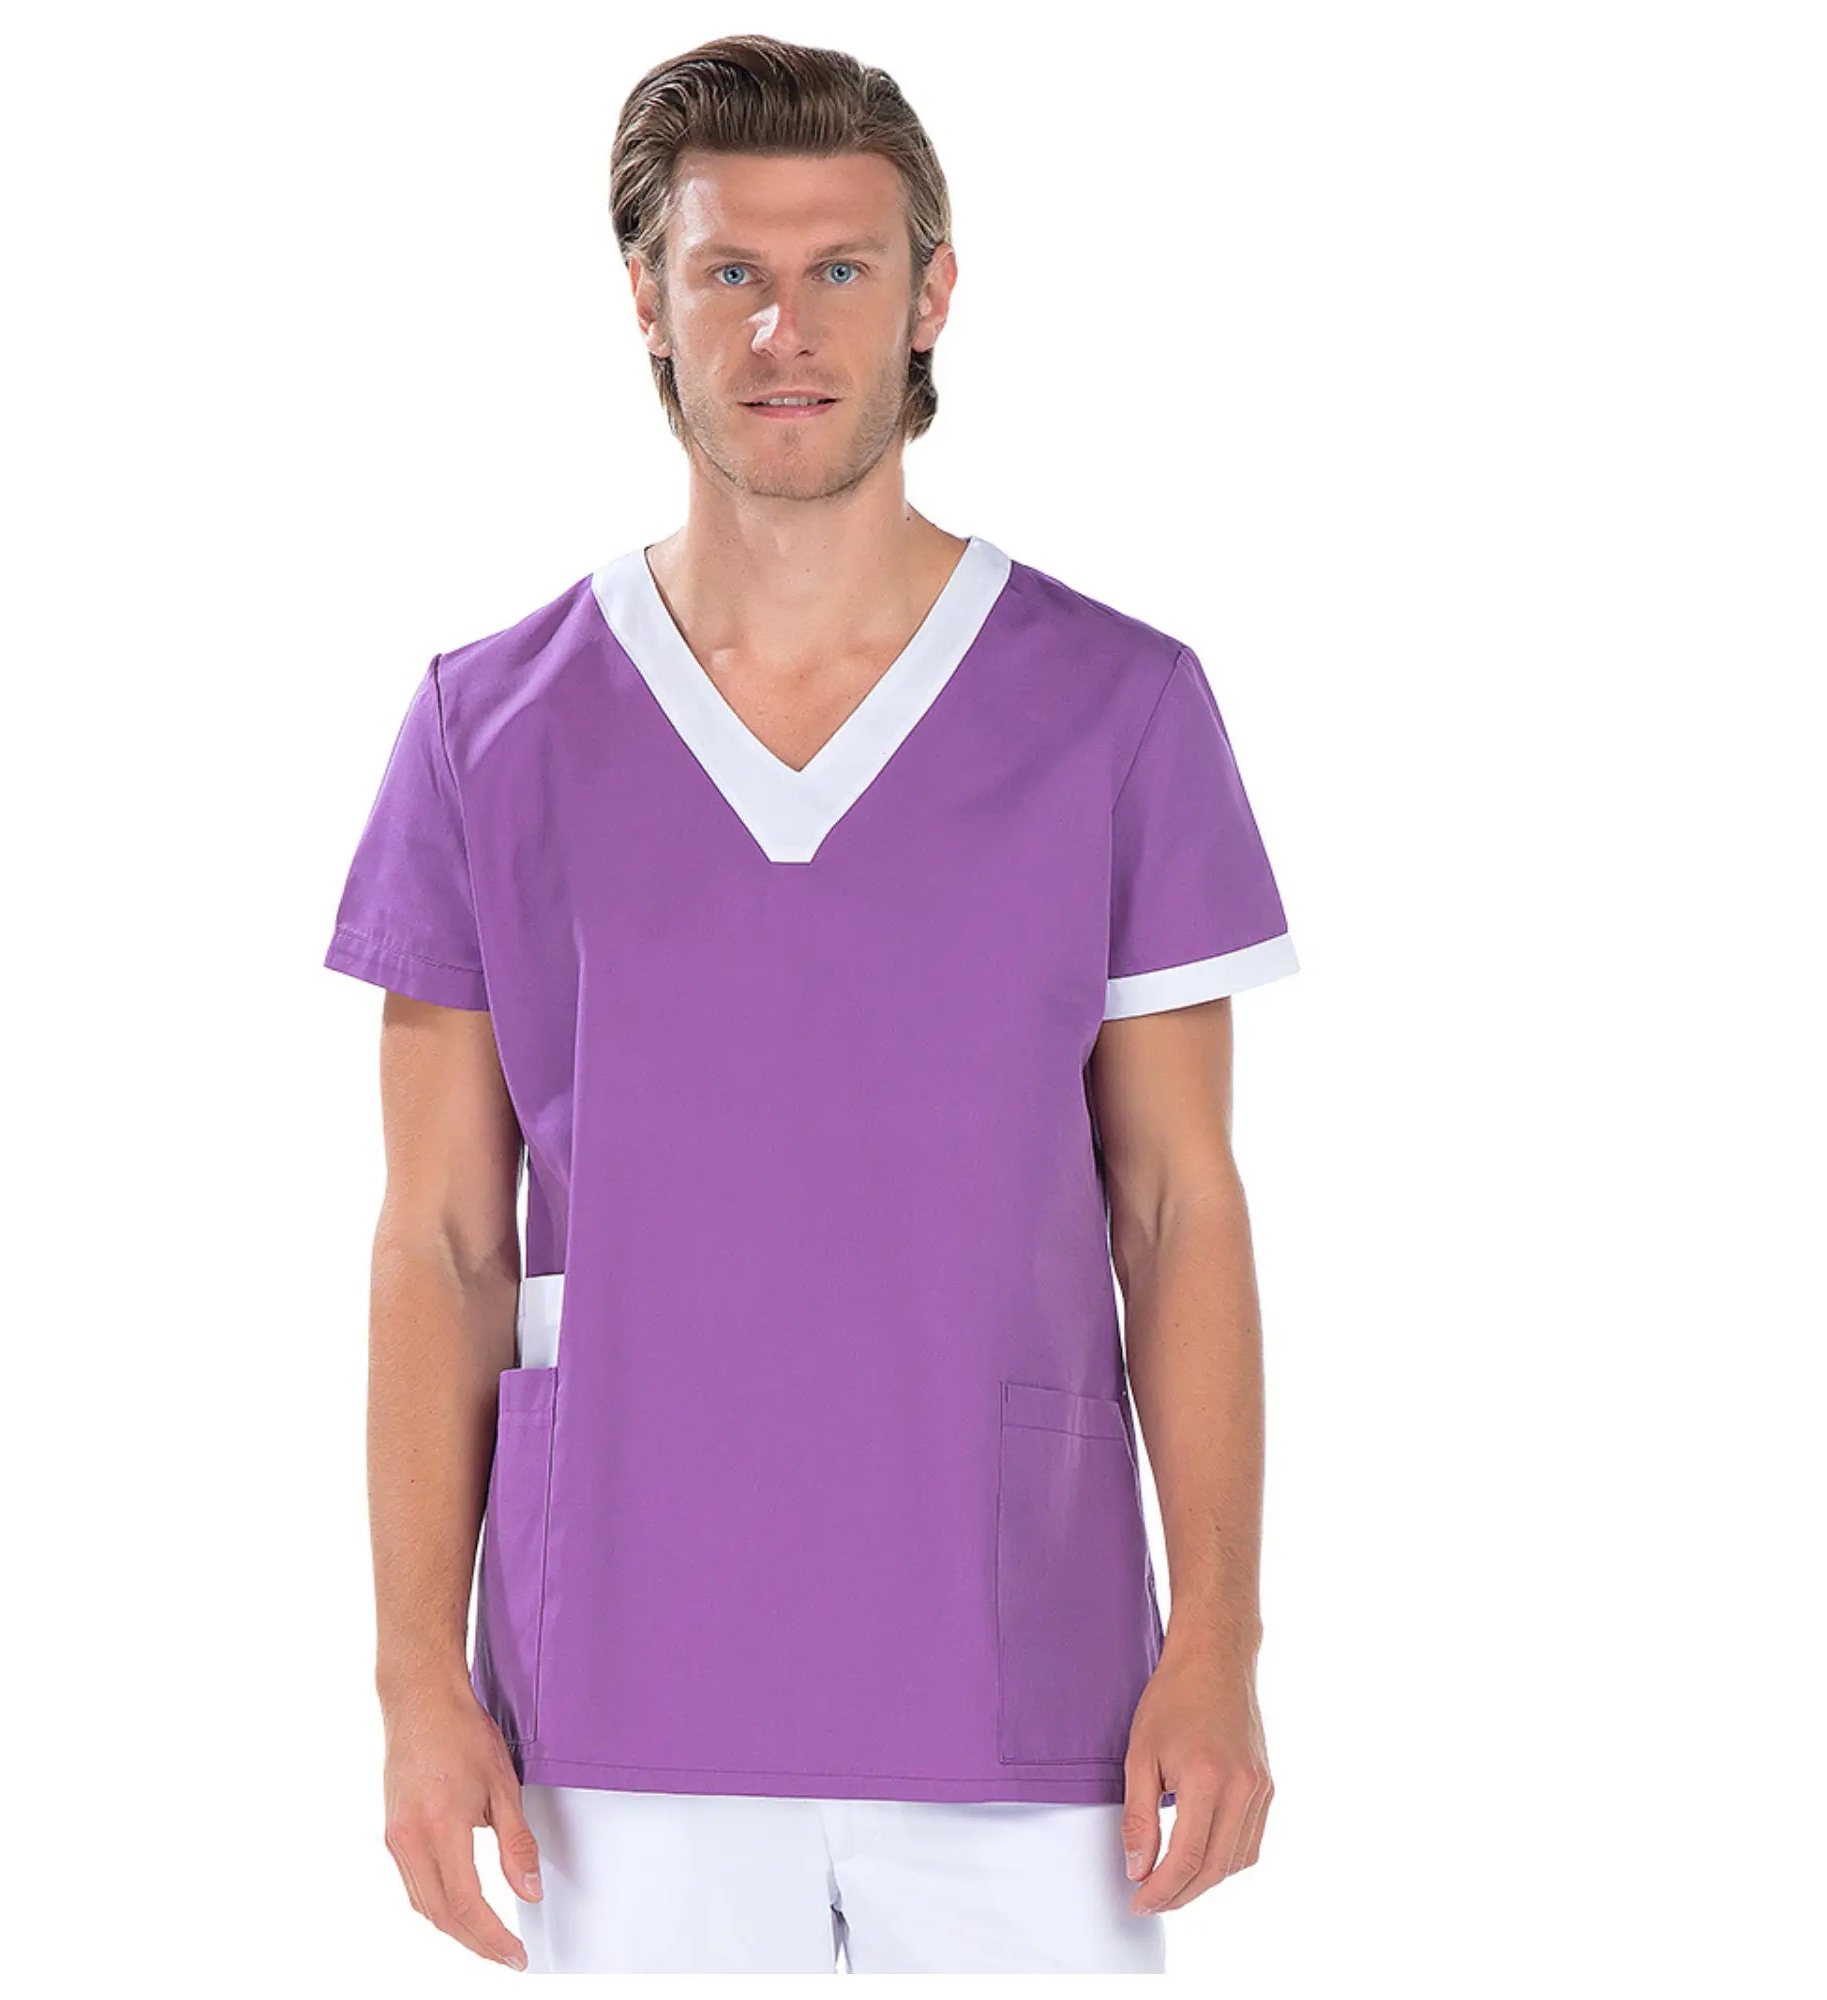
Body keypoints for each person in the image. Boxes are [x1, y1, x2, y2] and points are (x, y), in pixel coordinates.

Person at [323, 32, 1296, 1975]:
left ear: (932, 293)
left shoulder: (1116, 711)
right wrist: (416, 1685)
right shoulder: (486, 732)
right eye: (731, 271)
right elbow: (438, 1238)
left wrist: (1218, 1640)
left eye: (842, 266)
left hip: (1024, 1692)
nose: (786, 327)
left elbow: (1179, 1205)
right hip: (618, 1691)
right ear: (647, 299)